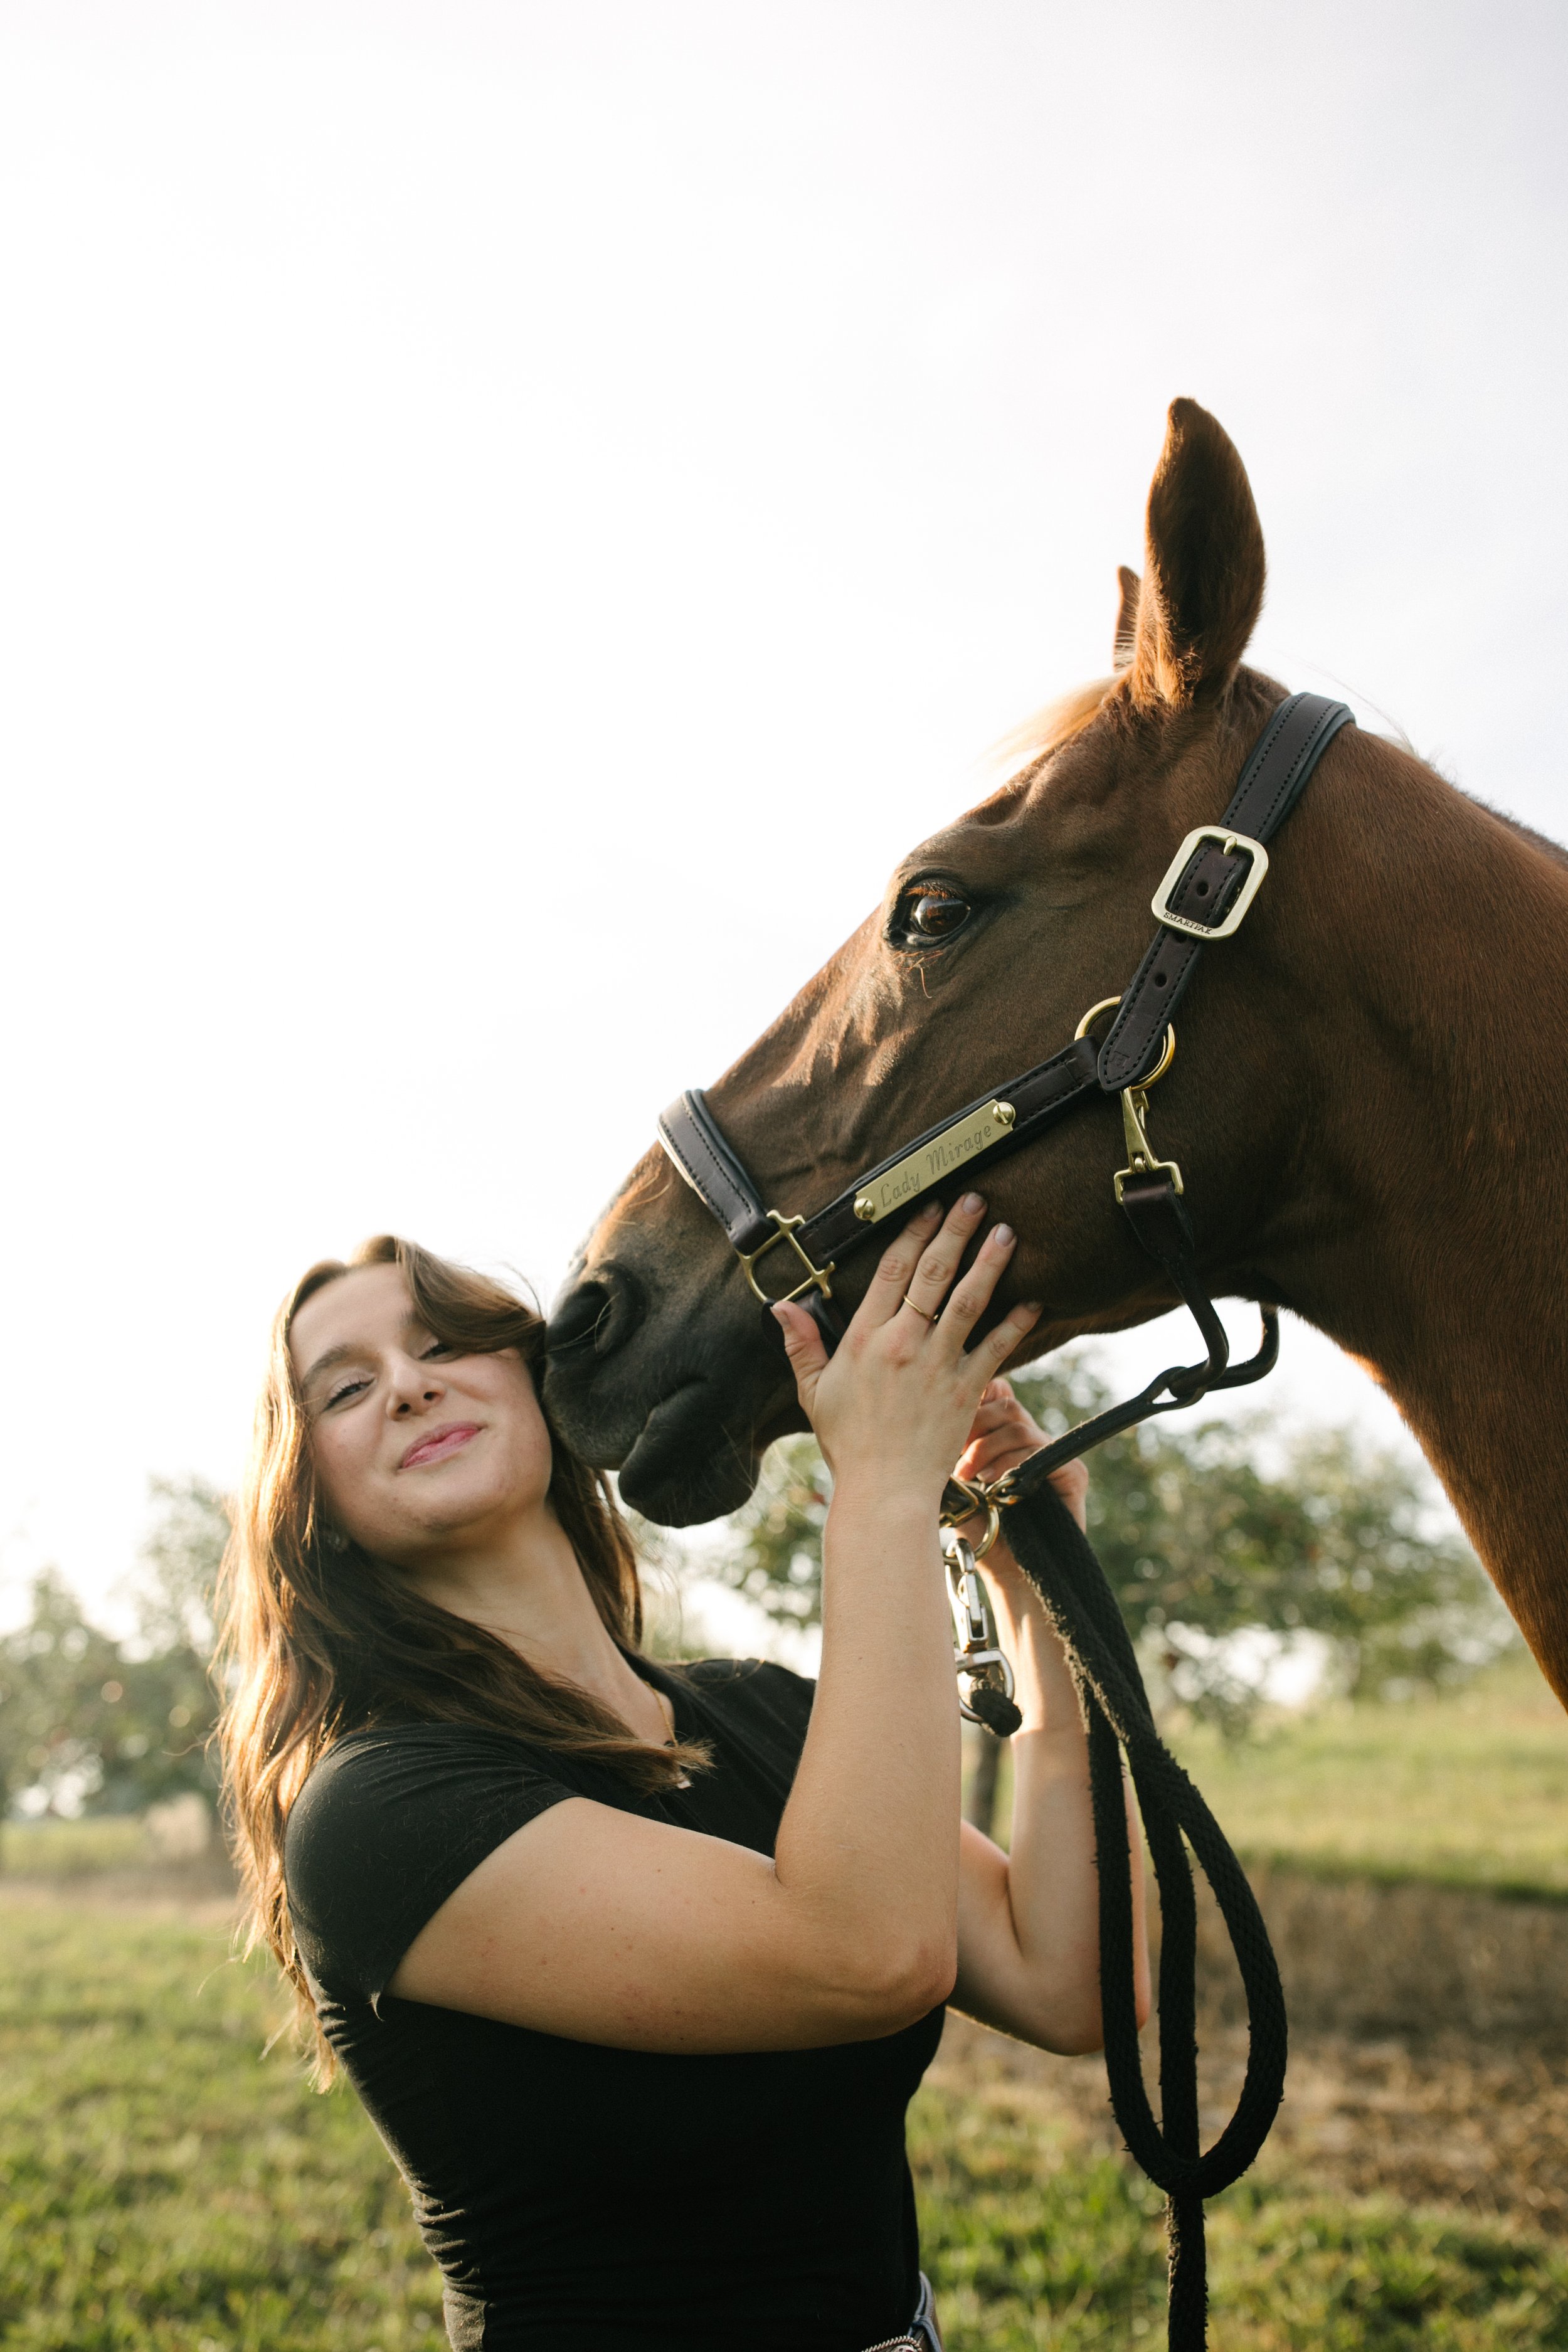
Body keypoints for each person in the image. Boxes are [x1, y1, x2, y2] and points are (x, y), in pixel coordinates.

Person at [217, 1194, 1150, 2352]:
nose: (409, 1384)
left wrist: (1034, 1592)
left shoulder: (765, 1712)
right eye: (347, 1388)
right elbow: (868, 1953)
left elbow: (1070, 1980)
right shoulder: (376, 1810)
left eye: (447, 1343)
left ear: (546, 1388)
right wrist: (886, 1485)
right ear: (316, 1505)